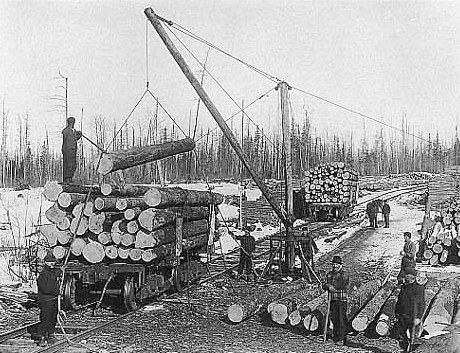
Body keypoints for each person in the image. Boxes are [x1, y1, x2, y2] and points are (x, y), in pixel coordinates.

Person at [394, 267, 425, 352]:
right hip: (403, 315)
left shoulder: (418, 288)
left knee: (413, 337)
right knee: (401, 335)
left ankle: (411, 350)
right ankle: (405, 349)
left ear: (412, 276)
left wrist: (418, 317)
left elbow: (422, 304)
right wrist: (397, 312)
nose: (405, 276)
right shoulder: (404, 286)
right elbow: (400, 300)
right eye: (406, 274)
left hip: (413, 316)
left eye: (407, 275)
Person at [323, 255, 350, 346]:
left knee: (341, 319)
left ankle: (342, 338)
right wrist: (327, 286)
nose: (335, 266)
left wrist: (332, 286)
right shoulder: (329, 274)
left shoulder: (344, 274)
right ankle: (335, 336)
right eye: (333, 264)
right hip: (332, 299)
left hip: (341, 299)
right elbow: (324, 284)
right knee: (334, 318)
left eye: (336, 264)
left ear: (340, 265)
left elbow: (342, 284)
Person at [36, 253, 61, 346]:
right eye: (50, 262)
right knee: (45, 319)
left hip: (53, 299)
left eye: (53, 262)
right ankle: (41, 337)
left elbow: (57, 272)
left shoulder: (53, 271)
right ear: (45, 262)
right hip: (46, 300)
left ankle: (51, 335)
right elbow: (45, 289)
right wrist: (56, 291)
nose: (52, 263)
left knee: (53, 318)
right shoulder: (43, 274)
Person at [62, 116, 82, 184]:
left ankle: (70, 178)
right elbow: (66, 137)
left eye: (73, 122)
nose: (73, 124)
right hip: (67, 150)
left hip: (73, 151)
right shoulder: (66, 130)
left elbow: (75, 139)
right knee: (68, 164)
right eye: (71, 122)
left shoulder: (73, 130)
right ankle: (66, 179)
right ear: (69, 123)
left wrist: (79, 135)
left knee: (73, 165)